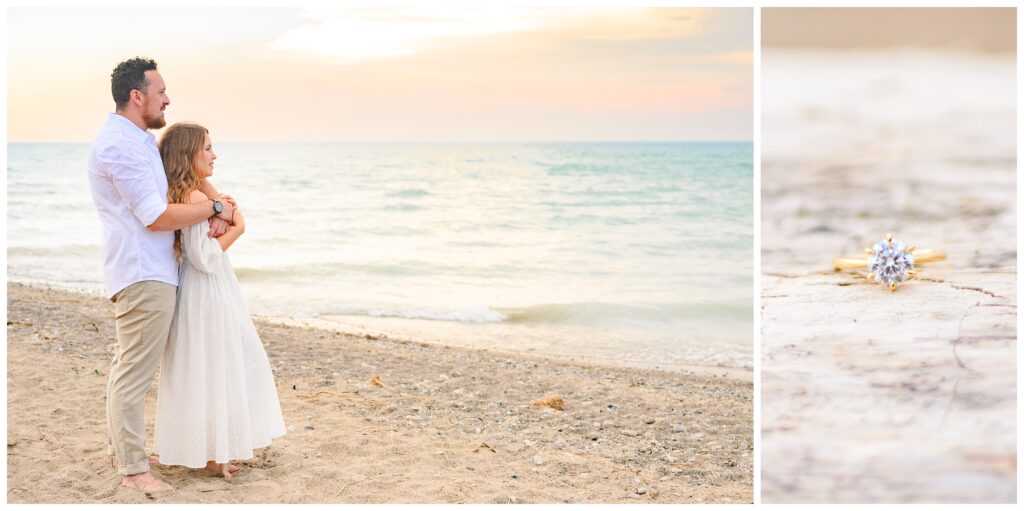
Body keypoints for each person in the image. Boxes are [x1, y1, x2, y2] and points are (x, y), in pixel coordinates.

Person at [88, 57, 234, 492]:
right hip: (142, 273)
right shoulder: (119, 146)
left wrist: (219, 202)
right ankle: (133, 470)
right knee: (133, 373)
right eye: (161, 92)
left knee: (130, 368)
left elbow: (183, 173)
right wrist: (213, 209)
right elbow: (154, 216)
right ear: (138, 96)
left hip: (152, 271)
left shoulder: (138, 141)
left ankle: (127, 451)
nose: (168, 99)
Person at [152, 122, 286, 477]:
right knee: (214, 366)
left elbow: (215, 206)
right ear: (189, 154)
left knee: (211, 366)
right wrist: (237, 227)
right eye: (207, 148)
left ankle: (213, 451)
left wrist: (222, 208)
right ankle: (214, 456)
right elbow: (205, 257)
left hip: (208, 289)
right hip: (205, 290)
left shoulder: (193, 193)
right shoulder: (195, 199)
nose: (215, 154)